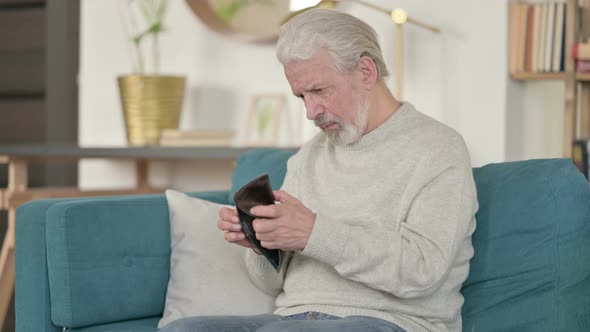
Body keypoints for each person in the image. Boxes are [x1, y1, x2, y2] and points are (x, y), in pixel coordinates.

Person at [161, 8, 477, 332]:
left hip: (392, 322)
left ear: (366, 72)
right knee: (183, 330)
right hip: (291, 319)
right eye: (302, 96)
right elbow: (270, 284)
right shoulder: (309, 156)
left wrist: (314, 233)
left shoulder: (438, 148)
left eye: (320, 91)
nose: (311, 111)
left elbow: (423, 269)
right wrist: (263, 243)